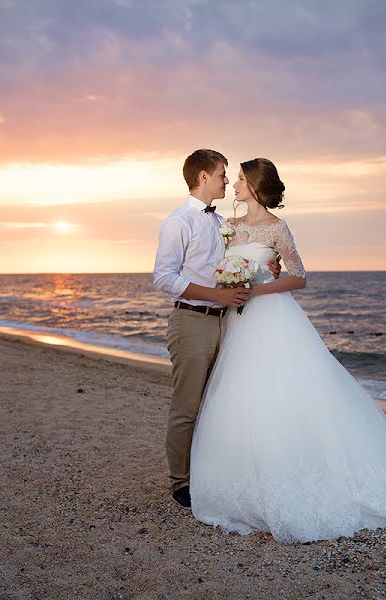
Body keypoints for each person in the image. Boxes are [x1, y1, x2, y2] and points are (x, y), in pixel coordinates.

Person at [189, 158, 386, 543]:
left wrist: (259, 287)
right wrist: (228, 283)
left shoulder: (277, 229)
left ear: (254, 185)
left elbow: (300, 276)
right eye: (231, 179)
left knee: (280, 391)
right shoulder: (229, 227)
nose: (233, 185)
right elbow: (215, 265)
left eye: (239, 180)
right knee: (241, 395)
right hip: (238, 319)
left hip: (270, 316)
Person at [153, 149, 279, 509]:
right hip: (191, 320)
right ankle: (181, 483)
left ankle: (209, 472)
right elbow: (163, 277)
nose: (227, 180)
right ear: (204, 176)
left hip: (225, 322)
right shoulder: (179, 222)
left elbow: (232, 266)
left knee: (216, 404)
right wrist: (215, 296)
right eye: (223, 173)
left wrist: (264, 266)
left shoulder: (221, 221)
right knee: (187, 406)